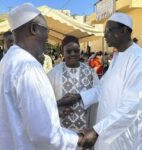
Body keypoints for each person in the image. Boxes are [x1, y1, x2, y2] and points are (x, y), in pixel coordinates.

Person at [0, 3, 96, 150]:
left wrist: (53, 110)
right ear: (34, 29)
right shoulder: (28, 66)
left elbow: (20, 112)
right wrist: (79, 139)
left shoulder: (8, 60)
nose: (47, 36)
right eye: (46, 30)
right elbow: (45, 135)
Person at [57, 12, 142, 150]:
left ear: (124, 30)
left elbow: (132, 106)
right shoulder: (117, 56)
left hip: (123, 136)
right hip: (105, 130)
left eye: (109, 30)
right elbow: (103, 88)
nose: (105, 35)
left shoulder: (138, 59)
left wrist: (97, 131)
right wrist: (79, 96)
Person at [48, 36, 99, 133]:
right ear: (63, 52)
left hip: (85, 130)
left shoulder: (90, 72)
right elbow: (45, 98)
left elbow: (99, 92)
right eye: (69, 51)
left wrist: (80, 96)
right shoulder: (54, 73)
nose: (73, 54)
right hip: (61, 130)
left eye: (76, 51)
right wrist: (58, 105)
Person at [0, 31, 13, 122]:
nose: (12, 44)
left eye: (15, 42)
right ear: (3, 41)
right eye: (10, 41)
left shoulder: (22, 61)